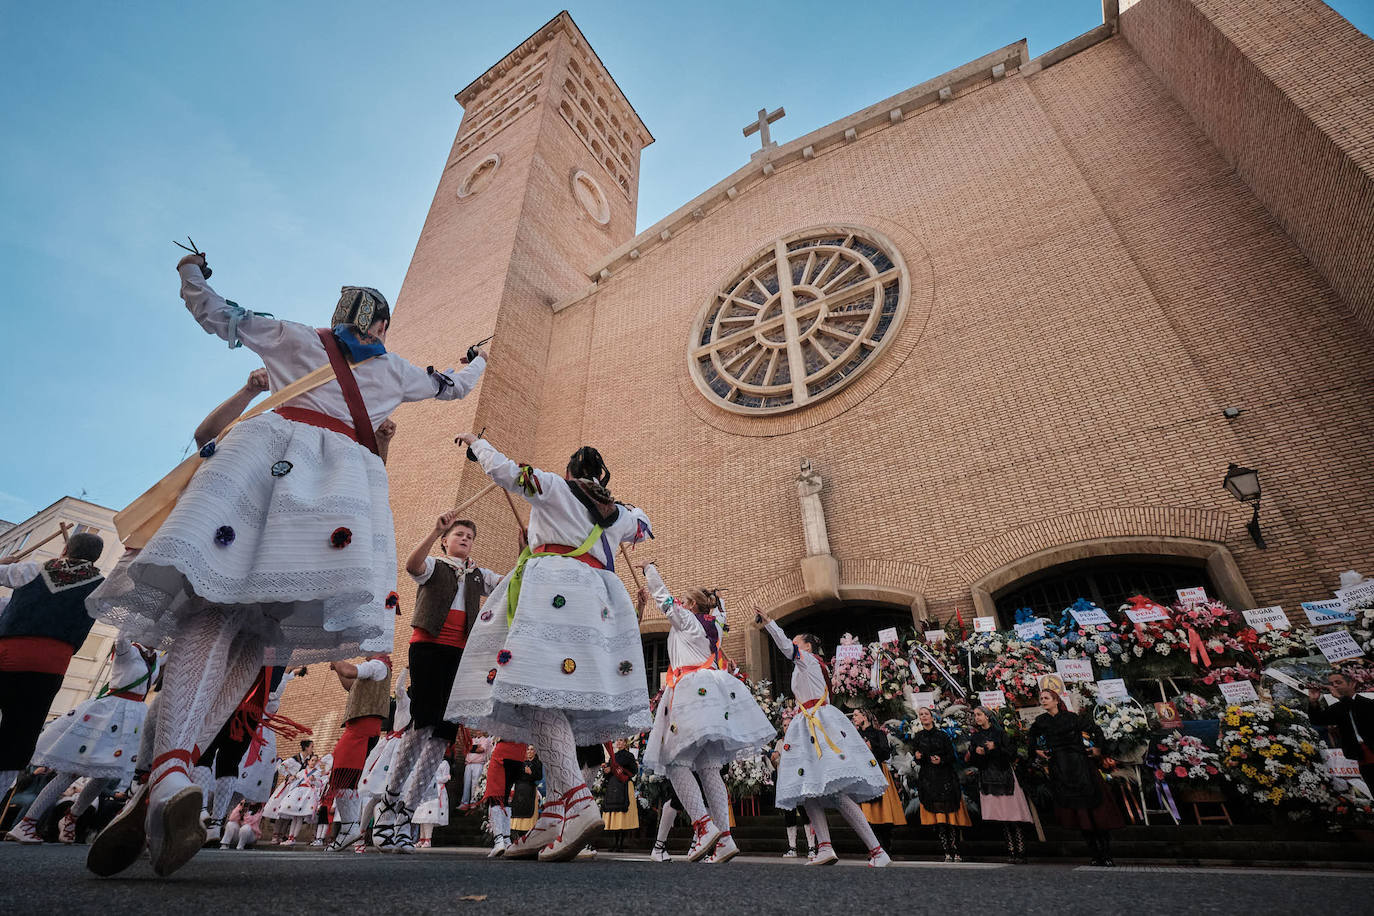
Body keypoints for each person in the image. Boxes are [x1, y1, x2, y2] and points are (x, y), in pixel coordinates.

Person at [85, 253, 486, 876]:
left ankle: (167, 773)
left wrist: (192, 273)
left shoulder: (293, 335)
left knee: (219, 601)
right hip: (338, 496)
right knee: (259, 629)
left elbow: (219, 315)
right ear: (381, 326)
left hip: (267, 467)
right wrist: (477, 360)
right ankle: (174, 771)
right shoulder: (396, 371)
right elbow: (455, 385)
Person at [445, 437, 653, 862]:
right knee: (554, 699)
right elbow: (644, 527)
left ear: (571, 470)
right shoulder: (615, 513)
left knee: (530, 690)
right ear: (601, 476)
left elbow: (508, 472)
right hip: (594, 603)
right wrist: (614, 510)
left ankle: (577, 802)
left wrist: (477, 445)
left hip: (554, 592)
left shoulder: (556, 487)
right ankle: (552, 816)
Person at [372, 512, 501, 851]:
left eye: (469, 537)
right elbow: (412, 565)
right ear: (447, 540)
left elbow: (510, 584)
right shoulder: (435, 565)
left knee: (442, 733)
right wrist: (433, 530)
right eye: (459, 534)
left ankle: (407, 812)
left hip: (460, 655)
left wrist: (526, 550)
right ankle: (389, 802)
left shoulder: (477, 574)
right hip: (428, 647)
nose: (464, 540)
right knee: (422, 723)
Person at [638, 562, 774, 862]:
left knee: (674, 761)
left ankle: (703, 825)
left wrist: (650, 570)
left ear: (689, 605)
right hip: (710, 693)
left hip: (689, 691)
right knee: (709, 768)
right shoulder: (712, 627)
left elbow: (664, 598)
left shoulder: (686, 620)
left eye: (683, 602)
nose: (679, 605)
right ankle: (724, 838)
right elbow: (718, 614)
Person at [753, 607, 890, 867]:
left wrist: (770, 623)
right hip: (807, 724)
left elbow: (785, 647)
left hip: (817, 725)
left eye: (796, 641)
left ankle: (877, 850)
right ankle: (825, 847)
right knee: (808, 791)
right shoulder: (806, 665)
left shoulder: (808, 660)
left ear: (807, 647)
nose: (792, 645)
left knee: (836, 793)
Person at [4, 639, 160, 845]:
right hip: (109, 713)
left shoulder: (156, 657)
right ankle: (26, 823)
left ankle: (72, 817)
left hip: (134, 718)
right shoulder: (128, 649)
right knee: (71, 772)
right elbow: (121, 637)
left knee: (105, 774)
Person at [0, 532, 107, 800]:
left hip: (7, 653)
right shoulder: (102, 587)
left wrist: (3, 561)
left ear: (64, 549)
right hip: (51, 664)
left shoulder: (31, 569)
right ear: (97, 558)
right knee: (20, 734)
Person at [1028, 689, 1124, 867]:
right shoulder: (1042, 721)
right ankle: (1094, 853)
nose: (1043, 701)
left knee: (1095, 810)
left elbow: (1095, 730)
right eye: (1041, 698)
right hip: (1061, 767)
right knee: (1080, 814)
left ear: (1056, 700)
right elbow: (1031, 737)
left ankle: (1106, 852)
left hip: (1080, 764)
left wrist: (1097, 749)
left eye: (1046, 698)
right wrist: (1036, 751)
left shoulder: (1071, 717)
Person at [324, 655, 392, 851]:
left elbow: (349, 671)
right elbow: (350, 684)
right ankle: (349, 828)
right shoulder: (375, 669)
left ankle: (350, 828)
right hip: (359, 728)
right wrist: (337, 668)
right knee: (343, 776)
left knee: (343, 775)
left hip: (361, 728)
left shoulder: (377, 665)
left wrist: (336, 658)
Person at [965, 705, 1033, 863]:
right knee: (1002, 817)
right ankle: (1011, 850)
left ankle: (1021, 850)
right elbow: (974, 761)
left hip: (1004, 776)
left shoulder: (1000, 733)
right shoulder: (976, 737)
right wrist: (977, 753)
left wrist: (995, 747)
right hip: (988, 777)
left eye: (979, 714)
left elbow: (1011, 753)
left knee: (1013, 815)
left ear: (987, 716)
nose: (977, 718)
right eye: (975, 715)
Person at [911, 705, 971, 862]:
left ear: (932, 717)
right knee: (939, 818)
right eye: (921, 714)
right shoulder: (918, 737)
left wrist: (941, 760)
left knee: (951, 816)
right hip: (929, 779)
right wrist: (917, 757)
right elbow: (917, 758)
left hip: (945, 777)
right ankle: (946, 851)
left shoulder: (942, 735)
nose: (923, 716)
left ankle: (956, 849)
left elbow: (952, 756)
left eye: (926, 714)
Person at [852, 708, 905, 849]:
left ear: (865, 717)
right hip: (862, 776)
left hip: (878, 774)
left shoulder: (878, 733)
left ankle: (885, 846)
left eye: (856, 715)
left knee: (883, 813)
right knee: (866, 816)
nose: (854, 717)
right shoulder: (854, 735)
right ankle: (873, 848)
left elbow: (886, 754)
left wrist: (871, 748)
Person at [1308, 671, 1374, 784]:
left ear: (1352, 684)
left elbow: (1357, 710)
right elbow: (1317, 720)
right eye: (1332, 683)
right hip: (1360, 756)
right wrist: (1314, 702)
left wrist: (1340, 697)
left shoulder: (1367, 703)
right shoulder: (1338, 707)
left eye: (1338, 682)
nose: (1334, 686)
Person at [480, 739, 527, 857]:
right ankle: (506, 841)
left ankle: (499, 840)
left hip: (504, 752)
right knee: (505, 797)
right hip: (520, 754)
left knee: (495, 796)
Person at [601, 739, 639, 853]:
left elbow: (634, 770)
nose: (618, 743)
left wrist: (615, 769)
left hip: (624, 786)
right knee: (615, 816)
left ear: (625, 743)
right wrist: (606, 770)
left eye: (621, 741)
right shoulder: (614, 756)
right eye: (617, 741)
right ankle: (615, 843)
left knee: (622, 816)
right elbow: (608, 772)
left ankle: (621, 844)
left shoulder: (629, 756)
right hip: (613, 787)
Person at [411, 757, 451, 849]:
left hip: (437, 790)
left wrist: (434, 779)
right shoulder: (426, 761)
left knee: (429, 816)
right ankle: (422, 839)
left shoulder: (444, 763)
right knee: (422, 816)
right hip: (425, 789)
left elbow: (446, 777)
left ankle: (428, 839)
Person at [509, 745, 542, 834]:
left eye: (532, 749)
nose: (530, 751)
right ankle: (516, 832)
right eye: (528, 749)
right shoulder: (521, 763)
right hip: (519, 790)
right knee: (518, 811)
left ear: (535, 751)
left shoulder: (537, 763)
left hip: (530, 790)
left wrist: (531, 773)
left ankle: (529, 832)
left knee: (528, 811)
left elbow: (539, 777)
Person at [461, 733, 492, 810]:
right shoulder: (472, 740)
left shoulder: (484, 740)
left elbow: (481, 750)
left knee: (475, 783)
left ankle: (473, 802)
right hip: (468, 763)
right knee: (466, 783)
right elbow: (465, 749)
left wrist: (471, 748)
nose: (478, 731)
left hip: (478, 764)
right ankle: (464, 803)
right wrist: (475, 747)